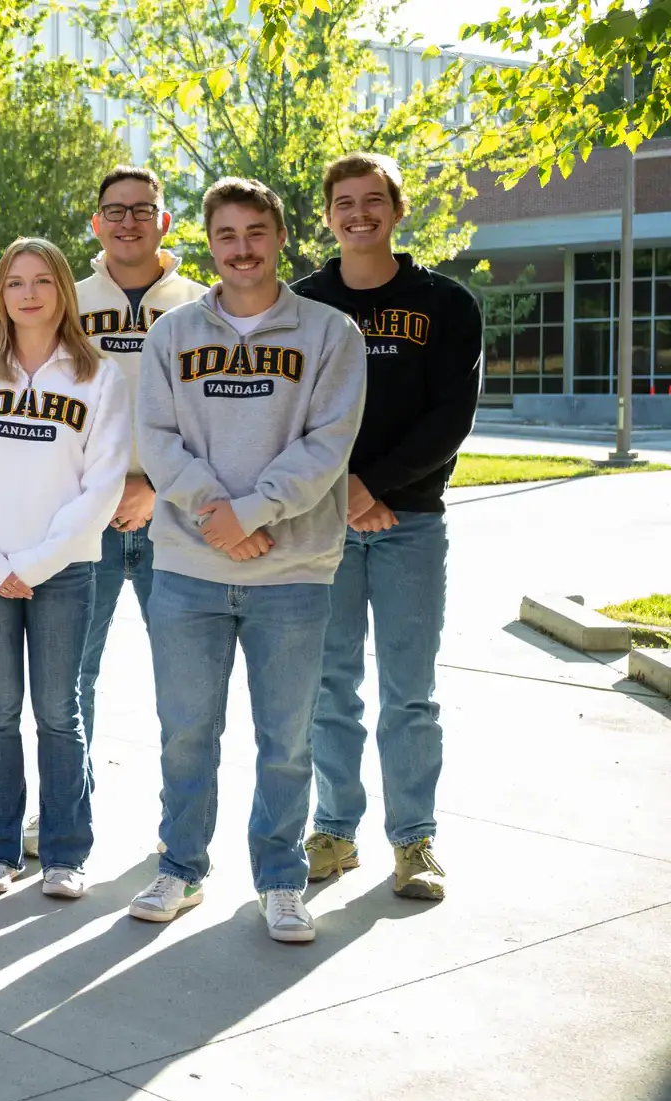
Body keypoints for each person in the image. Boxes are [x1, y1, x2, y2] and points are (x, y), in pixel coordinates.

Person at [130, 177, 366, 943]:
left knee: (287, 738)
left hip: (291, 571)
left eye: (255, 232)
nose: (241, 248)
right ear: (209, 243)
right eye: (226, 234)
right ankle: (182, 867)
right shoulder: (171, 335)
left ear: (281, 237)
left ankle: (281, 879)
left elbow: (328, 443)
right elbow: (158, 439)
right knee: (185, 732)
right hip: (189, 570)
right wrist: (215, 514)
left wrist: (253, 512)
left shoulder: (329, 333)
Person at [295, 152, 482, 902]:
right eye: (345, 201)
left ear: (398, 210)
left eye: (374, 200)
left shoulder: (446, 303)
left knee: (411, 692)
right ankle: (335, 831)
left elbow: (450, 419)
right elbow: (287, 415)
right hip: (322, 523)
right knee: (328, 686)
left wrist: (374, 487)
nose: (359, 214)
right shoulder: (302, 302)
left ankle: (414, 841)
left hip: (411, 522)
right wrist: (340, 491)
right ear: (329, 214)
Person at [0, 238, 131, 899]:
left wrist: (39, 562)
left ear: (62, 291)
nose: (27, 293)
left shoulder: (97, 376)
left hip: (65, 570)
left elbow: (101, 486)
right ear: (1, 296)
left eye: (41, 280)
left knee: (58, 711)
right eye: (14, 281)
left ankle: (65, 852)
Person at [73, 166, 206, 756]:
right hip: (84, 518)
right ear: (97, 223)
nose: (129, 222)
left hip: (176, 516)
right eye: (116, 211)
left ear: (164, 221)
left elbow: (216, 414)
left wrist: (154, 484)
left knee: (185, 683)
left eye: (142, 210)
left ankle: (180, 828)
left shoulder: (204, 305)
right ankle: (63, 815)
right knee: (70, 681)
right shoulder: (66, 303)